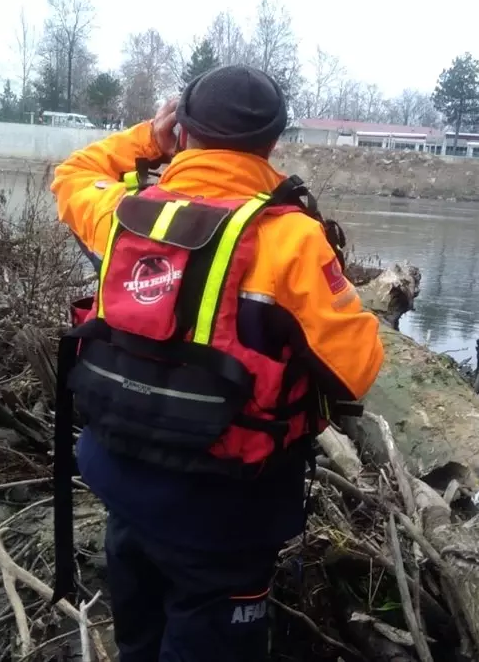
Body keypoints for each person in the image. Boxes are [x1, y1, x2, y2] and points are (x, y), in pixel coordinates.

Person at [50, 64, 384, 662]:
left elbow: (75, 173)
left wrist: (148, 138)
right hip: (226, 506)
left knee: (140, 637)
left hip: (121, 477)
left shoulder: (122, 216)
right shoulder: (291, 239)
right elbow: (355, 369)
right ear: (273, 141)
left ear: (185, 130)